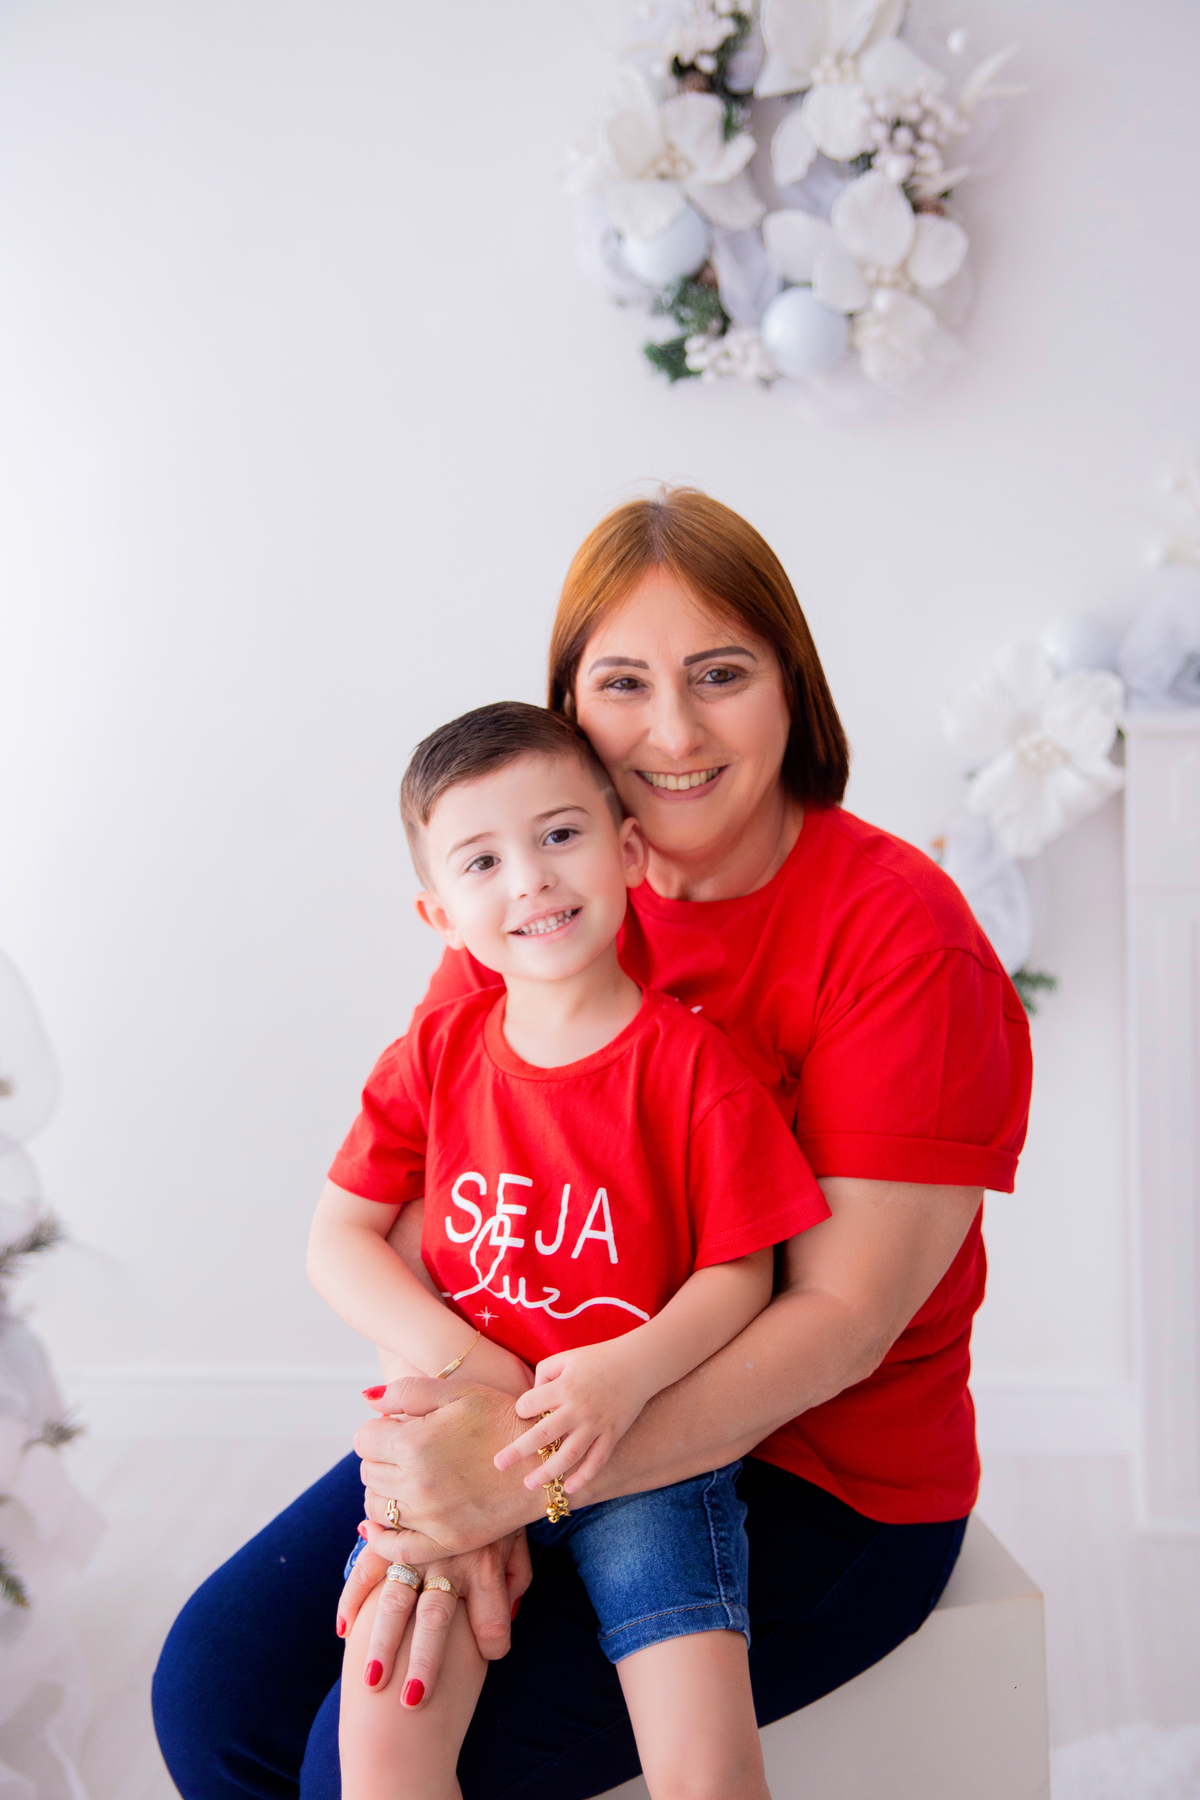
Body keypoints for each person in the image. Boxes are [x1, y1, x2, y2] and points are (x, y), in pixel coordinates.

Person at [153, 488, 1032, 1800]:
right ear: (569, 703)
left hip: (813, 1476)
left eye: (721, 674)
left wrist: (516, 1485)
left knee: (357, 1761)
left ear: (793, 685)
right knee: (214, 1693)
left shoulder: (902, 939)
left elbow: (840, 1321)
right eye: (624, 684)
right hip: (527, 1396)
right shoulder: (538, 904)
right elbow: (406, 1214)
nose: (672, 731)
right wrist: (463, 1454)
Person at [310, 700, 829, 1800]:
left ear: (627, 851)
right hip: (457, 1445)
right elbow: (338, 1240)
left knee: (706, 1764)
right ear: (438, 912)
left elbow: (742, 1272)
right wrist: (479, 1376)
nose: (531, 880)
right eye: (483, 860)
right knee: (383, 1747)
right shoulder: (439, 1048)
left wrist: (623, 1373)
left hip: (647, 1458)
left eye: (559, 835)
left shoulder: (693, 1066)